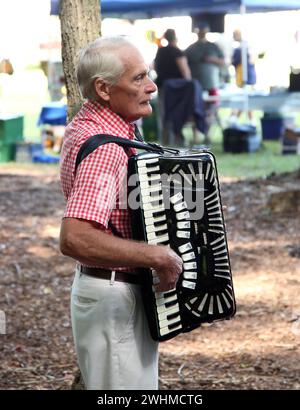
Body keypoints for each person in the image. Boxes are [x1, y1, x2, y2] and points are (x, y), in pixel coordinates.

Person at [59, 36, 183, 390]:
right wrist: (157, 254)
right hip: (114, 299)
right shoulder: (106, 149)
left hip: (115, 294)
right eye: (138, 79)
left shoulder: (94, 126)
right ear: (104, 88)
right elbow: (75, 237)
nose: (152, 87)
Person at [185, 22, 225, 93]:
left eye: (204, 31)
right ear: (197, 32)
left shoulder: (213, 46)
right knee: (196, 103)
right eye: (200, 31)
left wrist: (213, 59)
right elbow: (184, 65)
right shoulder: (191, 48)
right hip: (196, 84)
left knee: (212, 103)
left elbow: (223, 62)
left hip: (212, 83)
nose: (202, 33)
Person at [231, 29, 257, 122]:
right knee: (245, 99)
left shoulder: (241, 49)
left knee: (245, 99)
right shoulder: (247, 47)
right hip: (247, 77)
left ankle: (235, 118)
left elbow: (234, 61)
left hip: (245, 77)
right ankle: (236, 118)